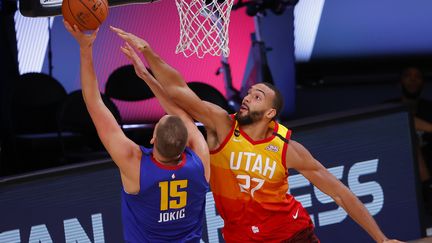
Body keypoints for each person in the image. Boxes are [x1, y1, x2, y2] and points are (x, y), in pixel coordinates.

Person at [111, 27, 404, 243]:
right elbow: (179, 91)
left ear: (270, 114)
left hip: (293, 236)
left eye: (258, 96)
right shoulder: (221, 126)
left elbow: (339, 192)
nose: (249, 96)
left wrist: (381, 239)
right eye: (250, 92)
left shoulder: (286, 148)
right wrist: (149, 54)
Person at [64, 21, 210, 243]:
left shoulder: (135, 163)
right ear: (185, 143)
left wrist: (86, 48)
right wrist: (147, 78)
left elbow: (94, 103)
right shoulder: (199, 160)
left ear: (152, 138)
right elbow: (184, 119)